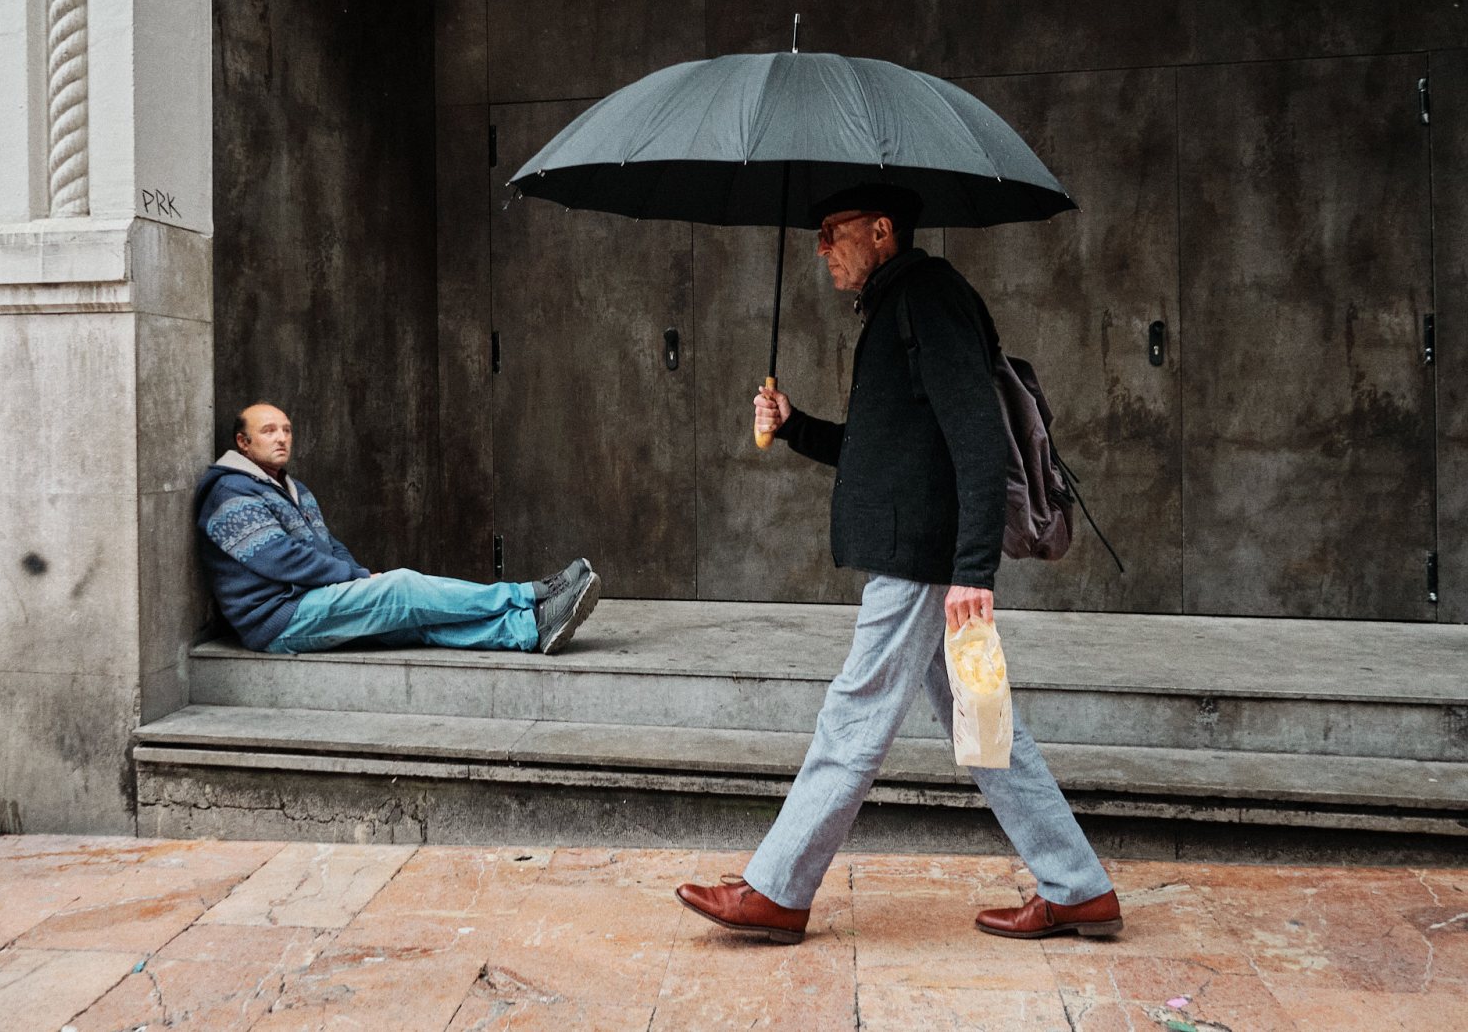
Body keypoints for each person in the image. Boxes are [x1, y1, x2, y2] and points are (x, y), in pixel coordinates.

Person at [676, 184, 1120, 943]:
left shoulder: (929, 299)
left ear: (881, 231)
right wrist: (794, 427)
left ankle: (778, 889)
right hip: (921, 549)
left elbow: (980, 441)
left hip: (925, 560)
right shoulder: (899, 306)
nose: (821, 248)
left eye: (831, 232)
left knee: (854, 711)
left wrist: (974, 571)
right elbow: (885, 452)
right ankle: (1078, 888)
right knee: (986, 727)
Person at [195, 403, 600, 656]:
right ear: (243, 443)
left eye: (286, 429)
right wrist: (357, 579)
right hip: (277, 620)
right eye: (269, 431)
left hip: (311, 601)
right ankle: (530, 594)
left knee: (413, 622)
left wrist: (355, 578)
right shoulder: (230, 492)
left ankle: (531, 630)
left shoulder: (291, 488)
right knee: (403, 588)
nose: (282, 438)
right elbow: (279, 558)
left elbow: (327, 545)